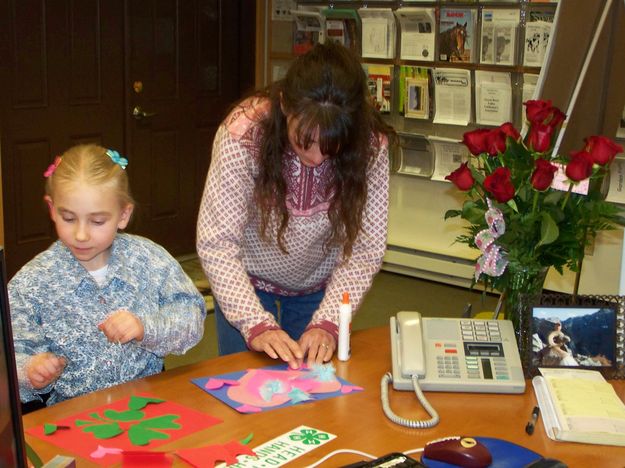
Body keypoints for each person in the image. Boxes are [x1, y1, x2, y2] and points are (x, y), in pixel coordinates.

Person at [197, 41, 395, 368]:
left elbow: (366, 247)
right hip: (244, 283)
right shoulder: (244, 133)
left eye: (330, 147)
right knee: (244, 389)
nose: (316, 158)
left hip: (319, 287)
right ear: (286, 105)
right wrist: (254, 323)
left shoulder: (369, 145)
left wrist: (329, 322)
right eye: (304, 140)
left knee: (310, 395)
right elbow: (217, 242)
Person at [9, 144, 207, 406]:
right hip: (72, 418)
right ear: (52, 209)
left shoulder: (148, 259)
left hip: (149, 407)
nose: (81, 234)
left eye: (97, 221)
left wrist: (145, 327)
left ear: (123, 214)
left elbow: (191, 316)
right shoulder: (32, 283)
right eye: (68, 218)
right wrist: (28, 371)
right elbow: (10, 355)